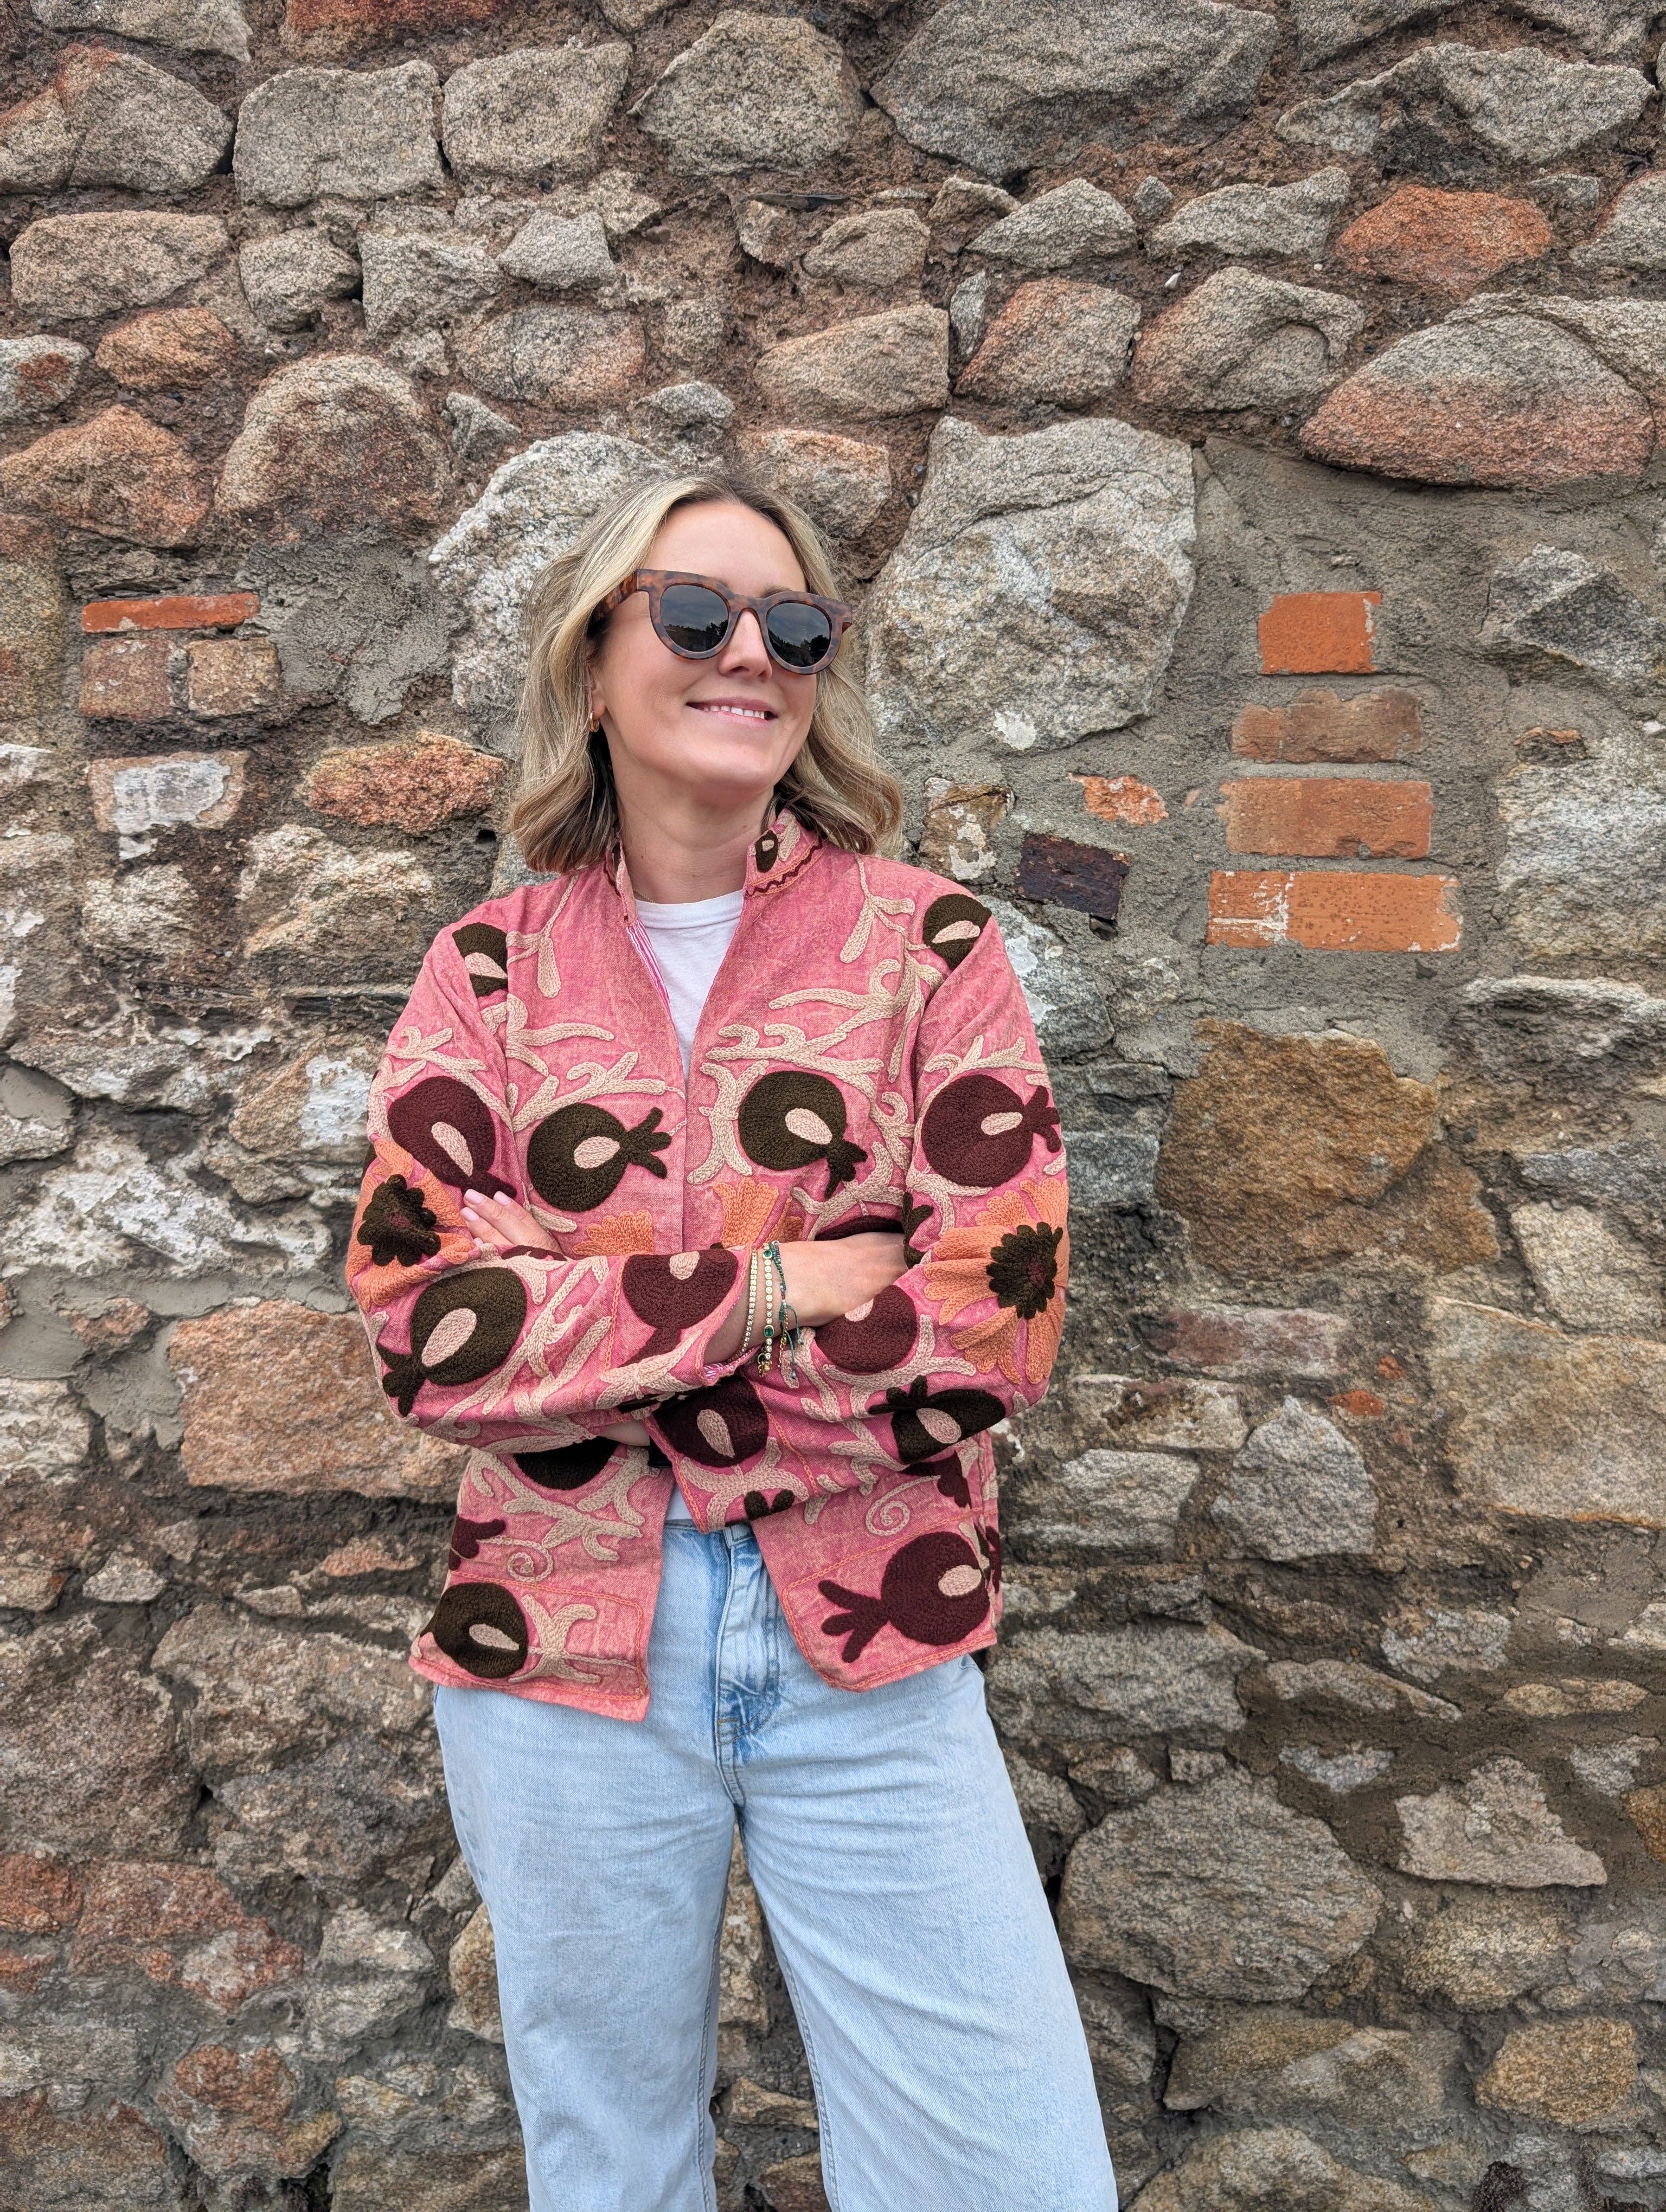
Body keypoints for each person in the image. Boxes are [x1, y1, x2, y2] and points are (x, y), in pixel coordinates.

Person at [346, 470, 1117, 2212]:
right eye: (696, 614)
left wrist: (586, 1334)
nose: (749, 653)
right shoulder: (488, 973)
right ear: (595, 657)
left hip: (877, 1633)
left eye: (795, 626)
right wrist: (784, 1290)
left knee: (1009, 2174)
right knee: (611, 2171)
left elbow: (994, 1324)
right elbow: (424, 1331)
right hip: (559, 1647)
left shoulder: (929, 949)